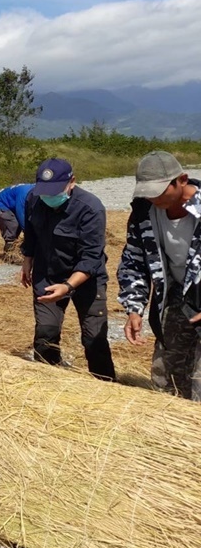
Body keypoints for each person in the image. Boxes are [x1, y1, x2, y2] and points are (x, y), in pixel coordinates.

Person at [21, 158, 116, 381]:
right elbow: (31, 233)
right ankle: (50, 381)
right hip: (48, 274)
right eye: (44, 191)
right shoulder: (34, 198)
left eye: (54, 191)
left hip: (87, 279)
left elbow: (91, 257)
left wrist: (68, 286)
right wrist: (27, 259)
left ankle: (105, 385)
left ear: (72, 182)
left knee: (95, 338)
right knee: (46, 333)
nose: (48, 196)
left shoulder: (90, 208)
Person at [118, 150, 201, 399]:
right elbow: (133, 262)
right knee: (166, 378)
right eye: (147, 192)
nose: (153, 197)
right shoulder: (144, 214)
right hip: (177, 298)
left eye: (160, 190)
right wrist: (134, 308)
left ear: (182, 180)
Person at [0, 183, 33, 254]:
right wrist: (27, 231)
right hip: (2, 204)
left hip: (13, 204)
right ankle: (9, 253)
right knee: (13, 226)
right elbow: (21, 213)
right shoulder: (24, 194)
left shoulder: (33, 189)